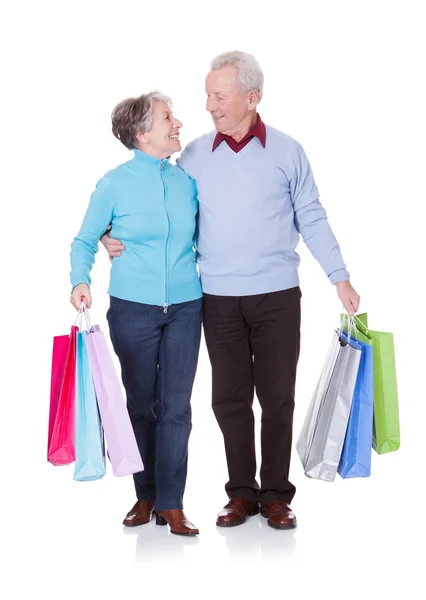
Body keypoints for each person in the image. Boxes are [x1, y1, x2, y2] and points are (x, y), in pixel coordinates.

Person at [101, 51, 360, 531]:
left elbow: (313, 219)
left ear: (251, 97)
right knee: (229, 400)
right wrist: (108, 232)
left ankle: (277, 496)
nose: (209, 105)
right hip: (216, 298)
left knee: (278, 397)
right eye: (207, 95)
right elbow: (154, 201)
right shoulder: (194, 155)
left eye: (219, 96)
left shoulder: (288, 152)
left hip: (278, 294)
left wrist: (338, 275)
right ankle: (241, 493)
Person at [70, 91, 203, 536]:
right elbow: (83, 240)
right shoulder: (114, 183)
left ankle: (172, 503)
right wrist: (80, 280)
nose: (178, 123)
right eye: (168, 118)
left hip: (186, 305)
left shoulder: (186, 181)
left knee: (177, 408)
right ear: (143, 134)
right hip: (133, 309)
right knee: (141, 407)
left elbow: (207, 234)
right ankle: (144, 495)